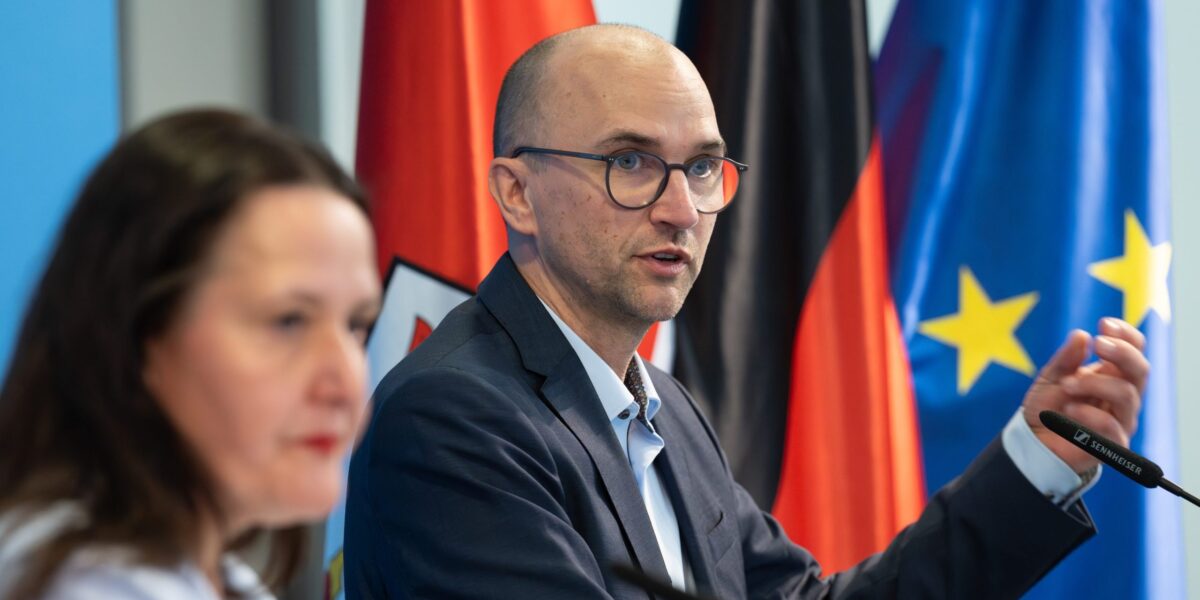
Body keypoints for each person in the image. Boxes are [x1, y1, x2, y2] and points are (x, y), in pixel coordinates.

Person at [344, 24, 1147, 599]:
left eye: (701, 168)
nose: (681, 211)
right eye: (630, 162)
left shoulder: (665, 413)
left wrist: (1036, 458)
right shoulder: (453, 419)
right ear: (517, 192)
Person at [0, 109, 381, 599]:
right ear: (139, 337)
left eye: (356, 326)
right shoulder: (81, 587)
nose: (348, 384)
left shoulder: (219, 580)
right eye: (288, 321)